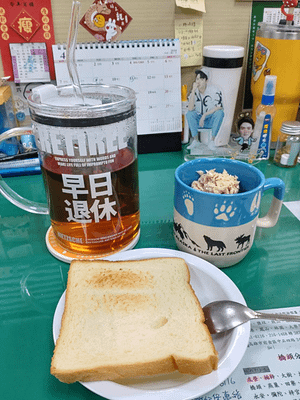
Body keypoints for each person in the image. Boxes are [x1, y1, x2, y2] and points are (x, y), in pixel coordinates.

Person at [186, 69, 224, 149]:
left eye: (201, 79)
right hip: (198, 120)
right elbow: (190, 109)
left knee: (220, 113)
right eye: (197, 79)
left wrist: (205, 115)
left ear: (206, 80)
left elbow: (219, 106)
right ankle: (196, 140)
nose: (198, 81)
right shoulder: (195, 92)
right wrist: (193, 91)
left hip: (210, 119)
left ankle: (212, 141)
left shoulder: (214, 90)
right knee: (189, 114)